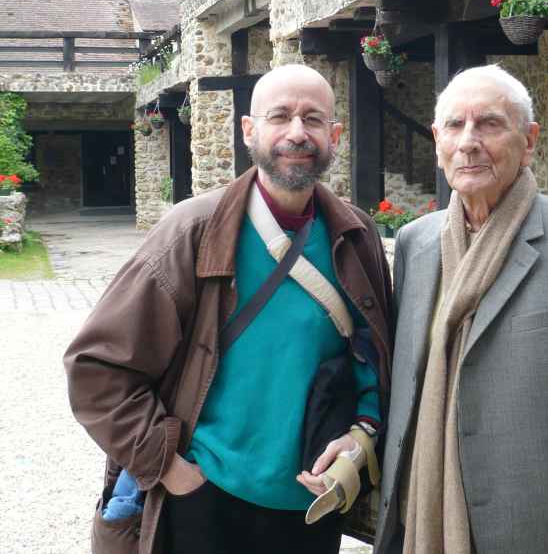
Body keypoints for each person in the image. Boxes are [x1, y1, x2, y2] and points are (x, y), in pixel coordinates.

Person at [64, 64, 392, 554]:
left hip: (309, 506)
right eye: (279, 116)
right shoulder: (192, 231)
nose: (297, 133)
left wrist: (362, 435)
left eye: (313, 119)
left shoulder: (356, 234)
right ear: (248, 130)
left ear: (335, 135)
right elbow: (95, 369)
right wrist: (171, 469)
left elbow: (375, 355)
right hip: (203, 499)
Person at [374, 64, 548, 554]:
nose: (469, 141)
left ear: (530, 139)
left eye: (491, 124)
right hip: (426, 518)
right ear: (437, 140)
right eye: (455, 125)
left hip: (540, 526)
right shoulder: (416, 245)